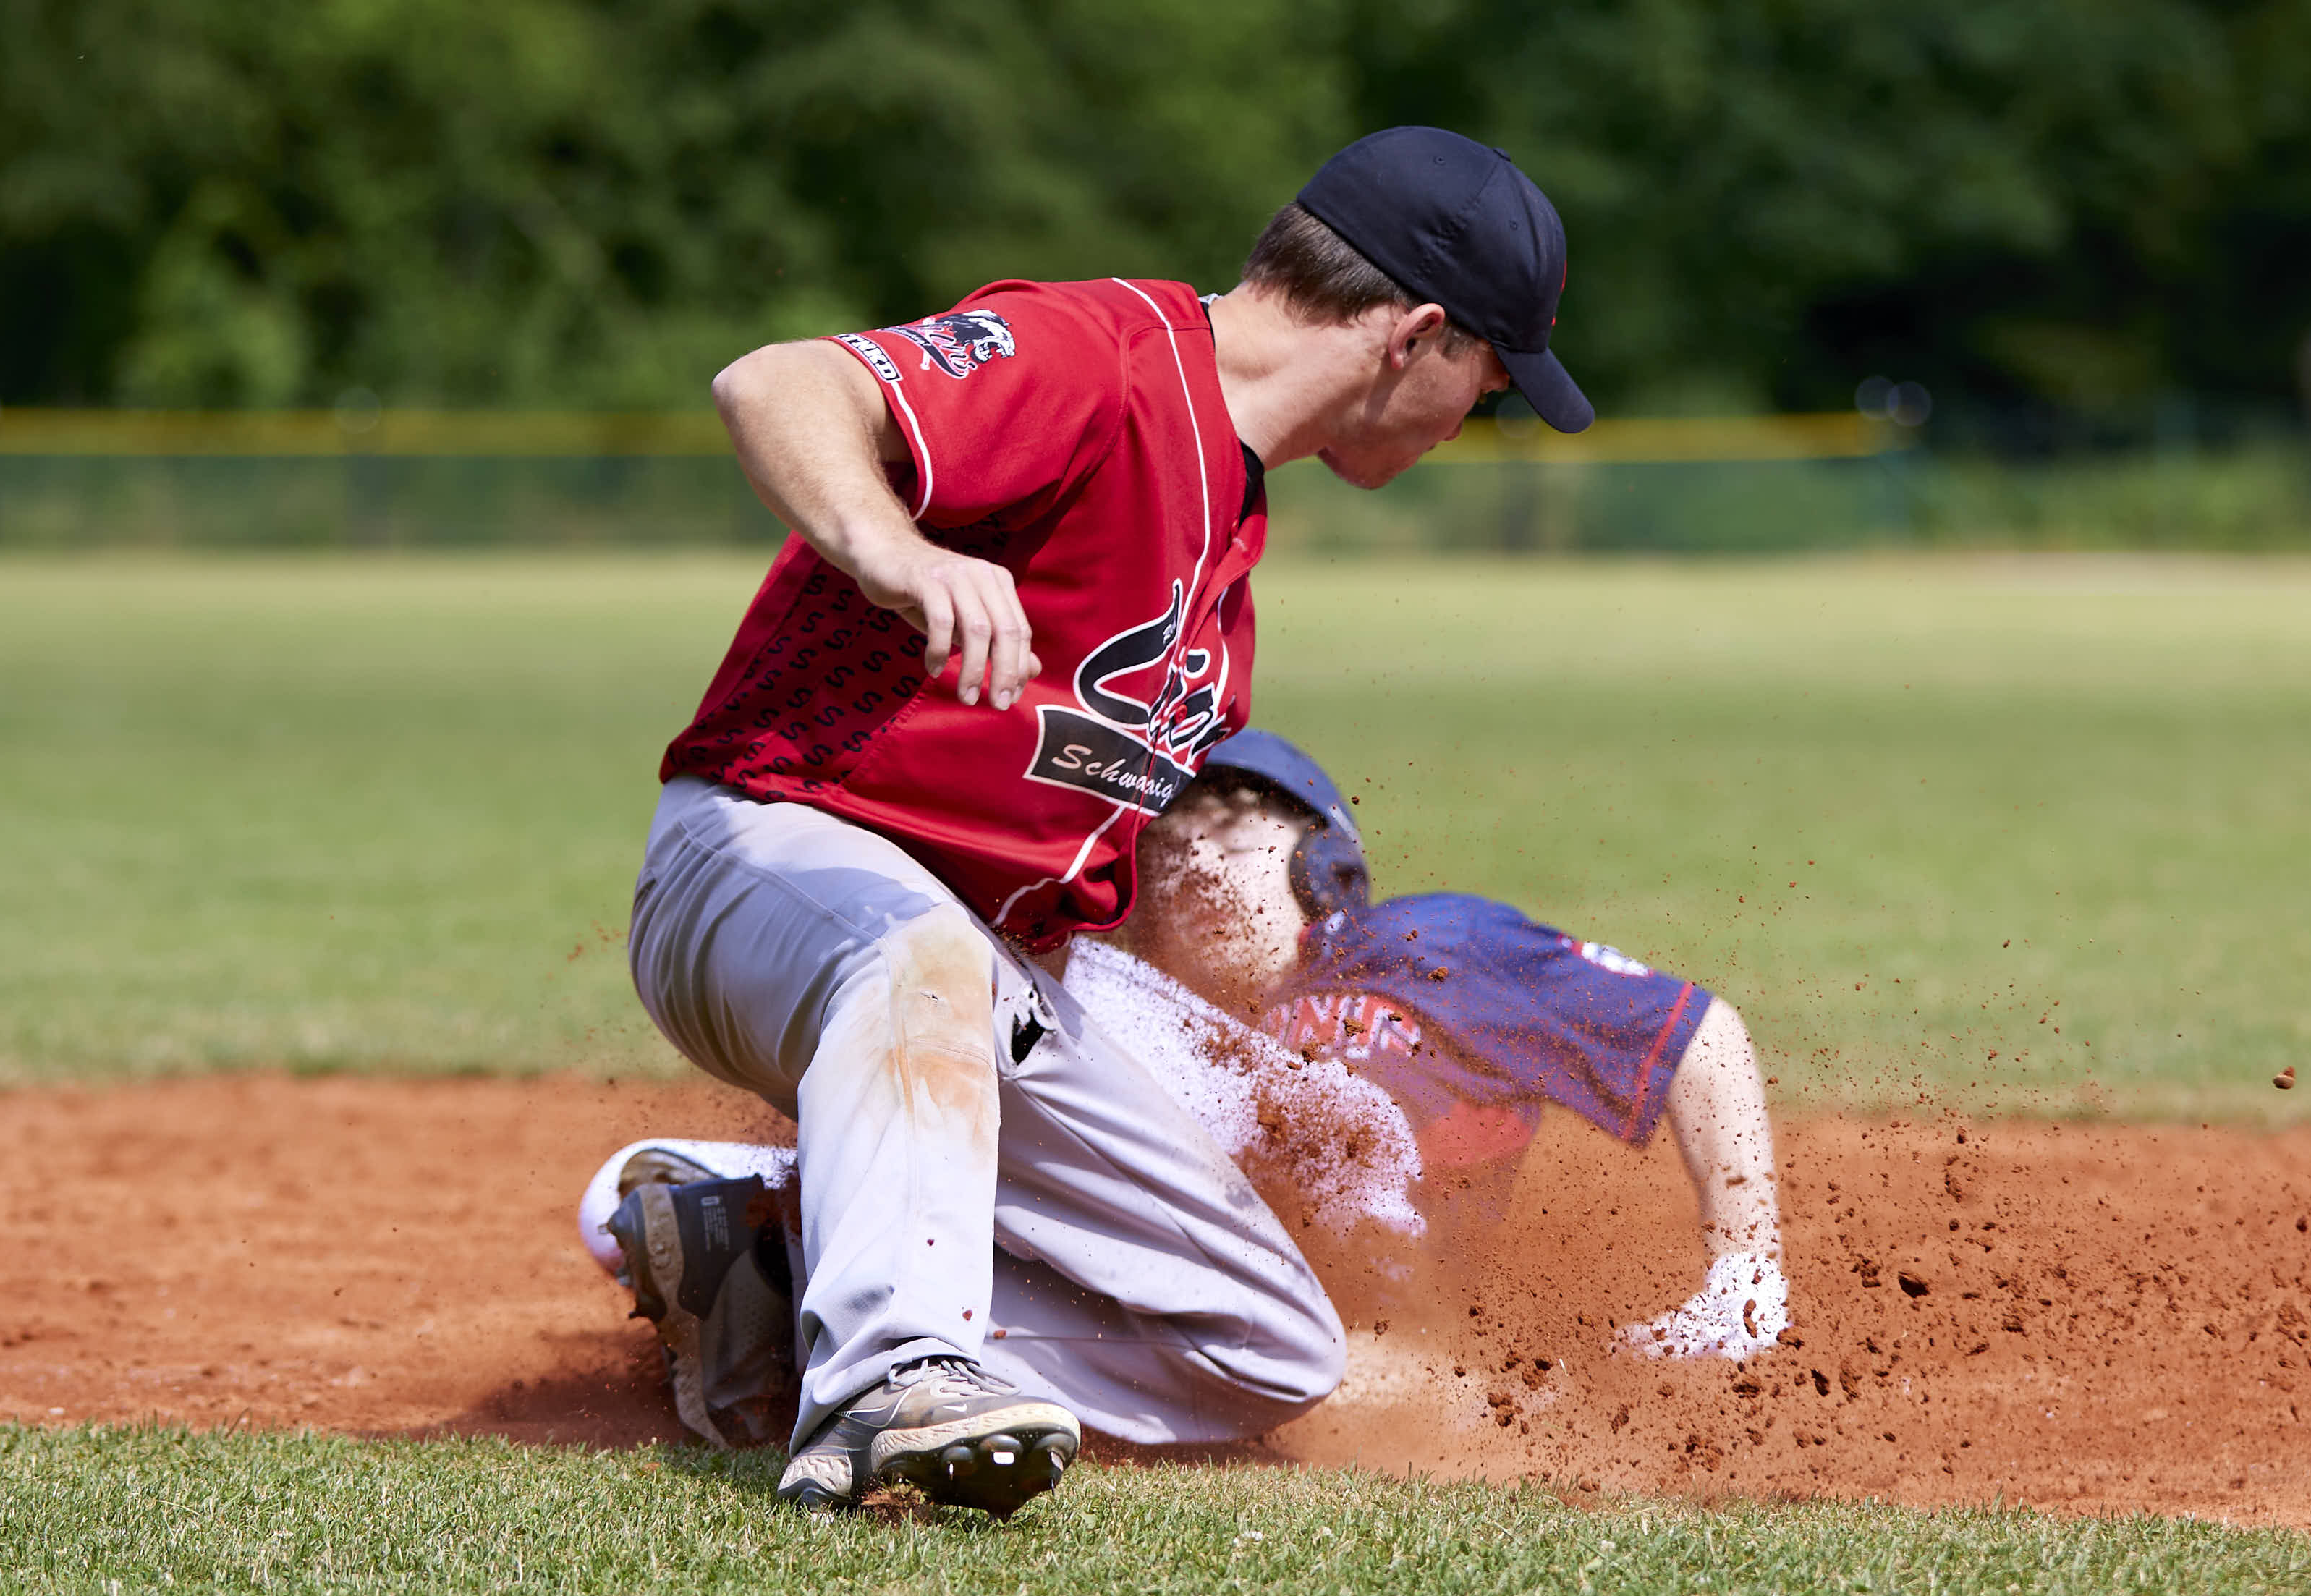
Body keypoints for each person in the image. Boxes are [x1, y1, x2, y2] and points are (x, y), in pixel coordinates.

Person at [626, 127, 1593, 1516]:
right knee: (921, 955)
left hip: (965, 963)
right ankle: (897, 1371)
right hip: (762, 857)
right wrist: (894, 551)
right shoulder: (1100, 357)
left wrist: (1229, 1059)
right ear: (1415, 334)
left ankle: (761, 1285)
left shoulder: (1227, 539)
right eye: (1486, 383)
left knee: (1269, 1348)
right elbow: (774, 383)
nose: (1469, 421)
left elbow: (1074, 858)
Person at [582, 730, 1789, 1456]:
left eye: (1235, 828)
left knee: (1417, 1395)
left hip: (1323, 1315)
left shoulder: (1432, 947)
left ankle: (765, 1255)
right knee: (1409, 1407)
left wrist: (1743, 1267)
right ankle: (781, 1238)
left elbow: (1699, 1035)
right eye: (1167, 838)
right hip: (1231, 1300)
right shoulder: (1118, 990)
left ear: (1327, 865)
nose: (1194, 859)